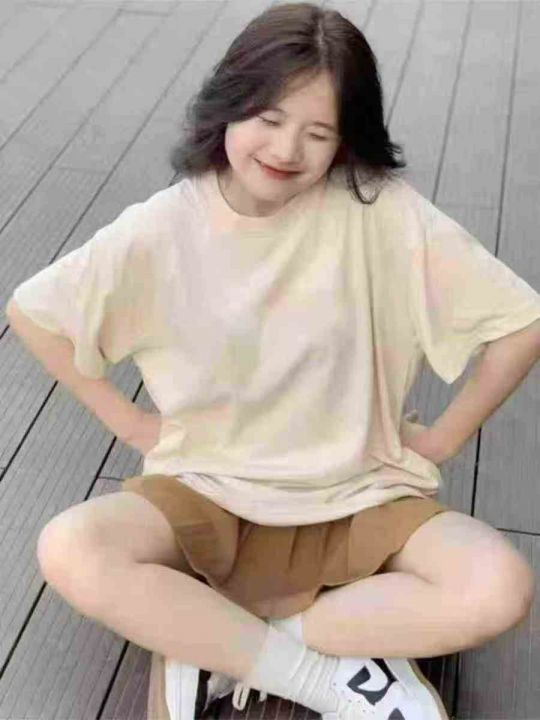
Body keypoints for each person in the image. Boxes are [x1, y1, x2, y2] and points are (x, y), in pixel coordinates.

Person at [5, 2, 540, 719]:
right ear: (229, 103)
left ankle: (220, 643)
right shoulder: (167, 225)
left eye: (318, 133)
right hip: (208, 488)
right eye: (268, 117)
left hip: (361, 492)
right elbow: (35, 313)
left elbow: (521, 323)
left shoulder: (380, 210)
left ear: (346, 140)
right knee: (70, 548)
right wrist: (132, 425)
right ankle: (324, 675)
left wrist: (442, 440)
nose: (287, 149)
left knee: (499, 588)